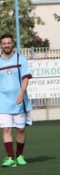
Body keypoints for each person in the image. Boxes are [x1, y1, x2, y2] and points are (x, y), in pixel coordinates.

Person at [0, 34, 32, 168]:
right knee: (6, 129)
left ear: (12, 44)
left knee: (20, 129)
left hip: (19, 100)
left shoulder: (21, 59)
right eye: (4, 43)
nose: (6, 45)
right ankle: (10, 157)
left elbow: (25, 78)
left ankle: (19, 156)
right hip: (3, 102)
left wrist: (21, 93)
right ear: (1, 45)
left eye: (9, 43)